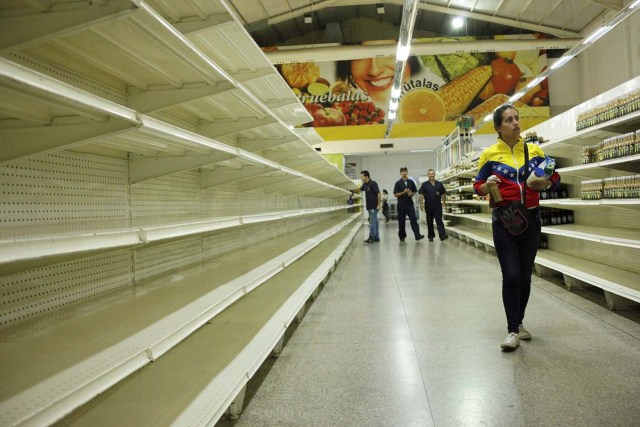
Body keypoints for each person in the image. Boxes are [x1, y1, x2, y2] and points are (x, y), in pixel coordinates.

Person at [474, 104, 560, 351]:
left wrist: (546, 183)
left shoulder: (533, 150)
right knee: (510, 275)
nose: (516, 123)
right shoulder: (490, 155)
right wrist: (486, 185)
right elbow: (477, 186)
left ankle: (519, 322)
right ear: (499, 127)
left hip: (531, 220)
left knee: (524, 276)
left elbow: (556, 176)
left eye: (517, 118)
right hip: (504, 221)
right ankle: (512, 330)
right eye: (509, 120)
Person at [393, 167, 425, 242]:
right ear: (400, 173)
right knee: (401, 221)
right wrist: (403, 192)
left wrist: (411, 193)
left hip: (409, 204)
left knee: (413, 219)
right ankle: (402, 236)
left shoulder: (411, 182)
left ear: (407, 172)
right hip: (401, 205)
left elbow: (414, 191)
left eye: (405, 171)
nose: (404, 173)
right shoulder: (397, 183)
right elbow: (395, 194)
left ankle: (417, 235)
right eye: (402, 172)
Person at [418, 169, 448, 242]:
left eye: (432, 173)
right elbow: (421, 194)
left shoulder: (439, 184)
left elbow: (443, 193)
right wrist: (421, 204)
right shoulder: (424, 185)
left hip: (437, 206)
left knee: (439, 220)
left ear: (434, 174)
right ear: (428, 175)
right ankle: (431, 236)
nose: (431, 175)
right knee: (429, 221)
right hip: (428, 206)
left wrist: (444, 203)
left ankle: (442, 235)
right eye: (429, 174)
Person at [359, 170, 381, 243]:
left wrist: (378, 204)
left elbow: (378, 193)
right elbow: (359, 189)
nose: (361, 178)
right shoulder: (365, 184)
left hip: (374, 206)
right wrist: (351, 190)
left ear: (366, 176)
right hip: (369, 206)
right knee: (375, 222)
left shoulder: (373, 183)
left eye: (362, 176)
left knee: (372, 222)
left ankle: (372, 237)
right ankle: (377, 237)